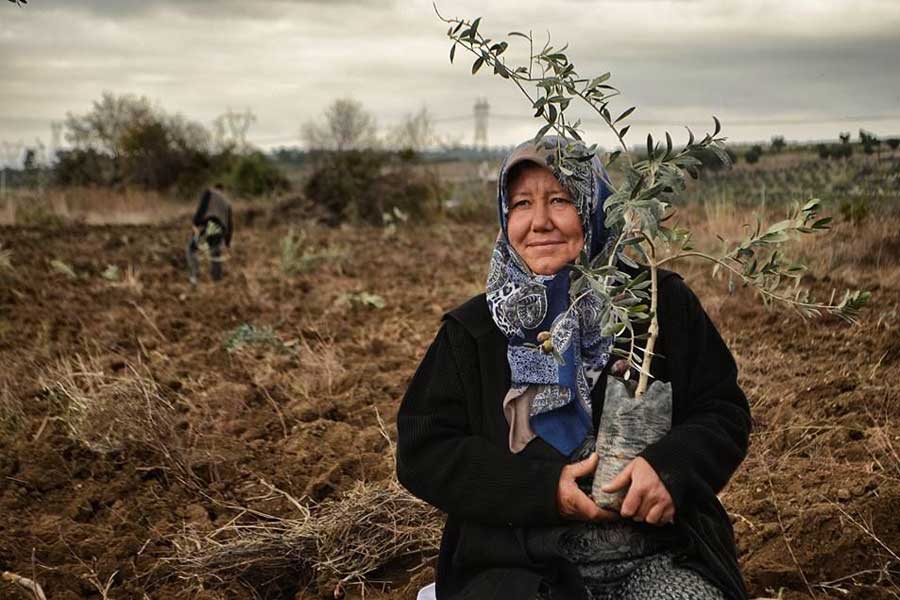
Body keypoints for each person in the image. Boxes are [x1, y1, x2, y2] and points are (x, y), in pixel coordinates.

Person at [396, 137, 752, 600]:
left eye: (560, 200)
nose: (539, 222)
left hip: (659, 554)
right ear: (506, 219)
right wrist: (543, 490)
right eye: (522, 204)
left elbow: (721, 409)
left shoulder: (656, 307)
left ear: (595, 207)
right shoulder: (474, 331)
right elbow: (424, 450)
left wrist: (671, 468)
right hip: (520, 567)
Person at [187, 183, 233, 284]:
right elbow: (230, 225)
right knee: (215, 253)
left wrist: (195, 223)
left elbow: (202, 207)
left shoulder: (209, 192)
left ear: (215, 188)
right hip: (220, 228)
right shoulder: (227, 202)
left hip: (209, 224)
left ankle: (194, 276)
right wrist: (227, 243)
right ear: (223, 190)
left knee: (192, 249)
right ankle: (217, 281)